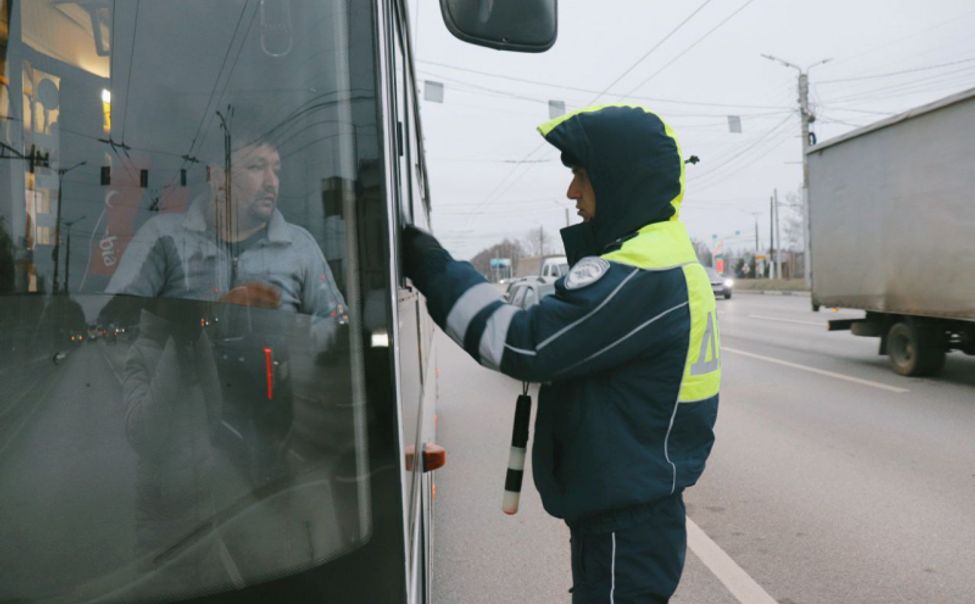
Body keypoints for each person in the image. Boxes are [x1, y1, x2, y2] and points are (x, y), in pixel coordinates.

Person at [402, 104, 720, 603]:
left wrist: (430, 265)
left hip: (627, 524)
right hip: (634, 513)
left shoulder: (641, 272)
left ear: (619, 179)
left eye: (581, 176)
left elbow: (522, 343)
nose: (572, 193)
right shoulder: (664, 258)